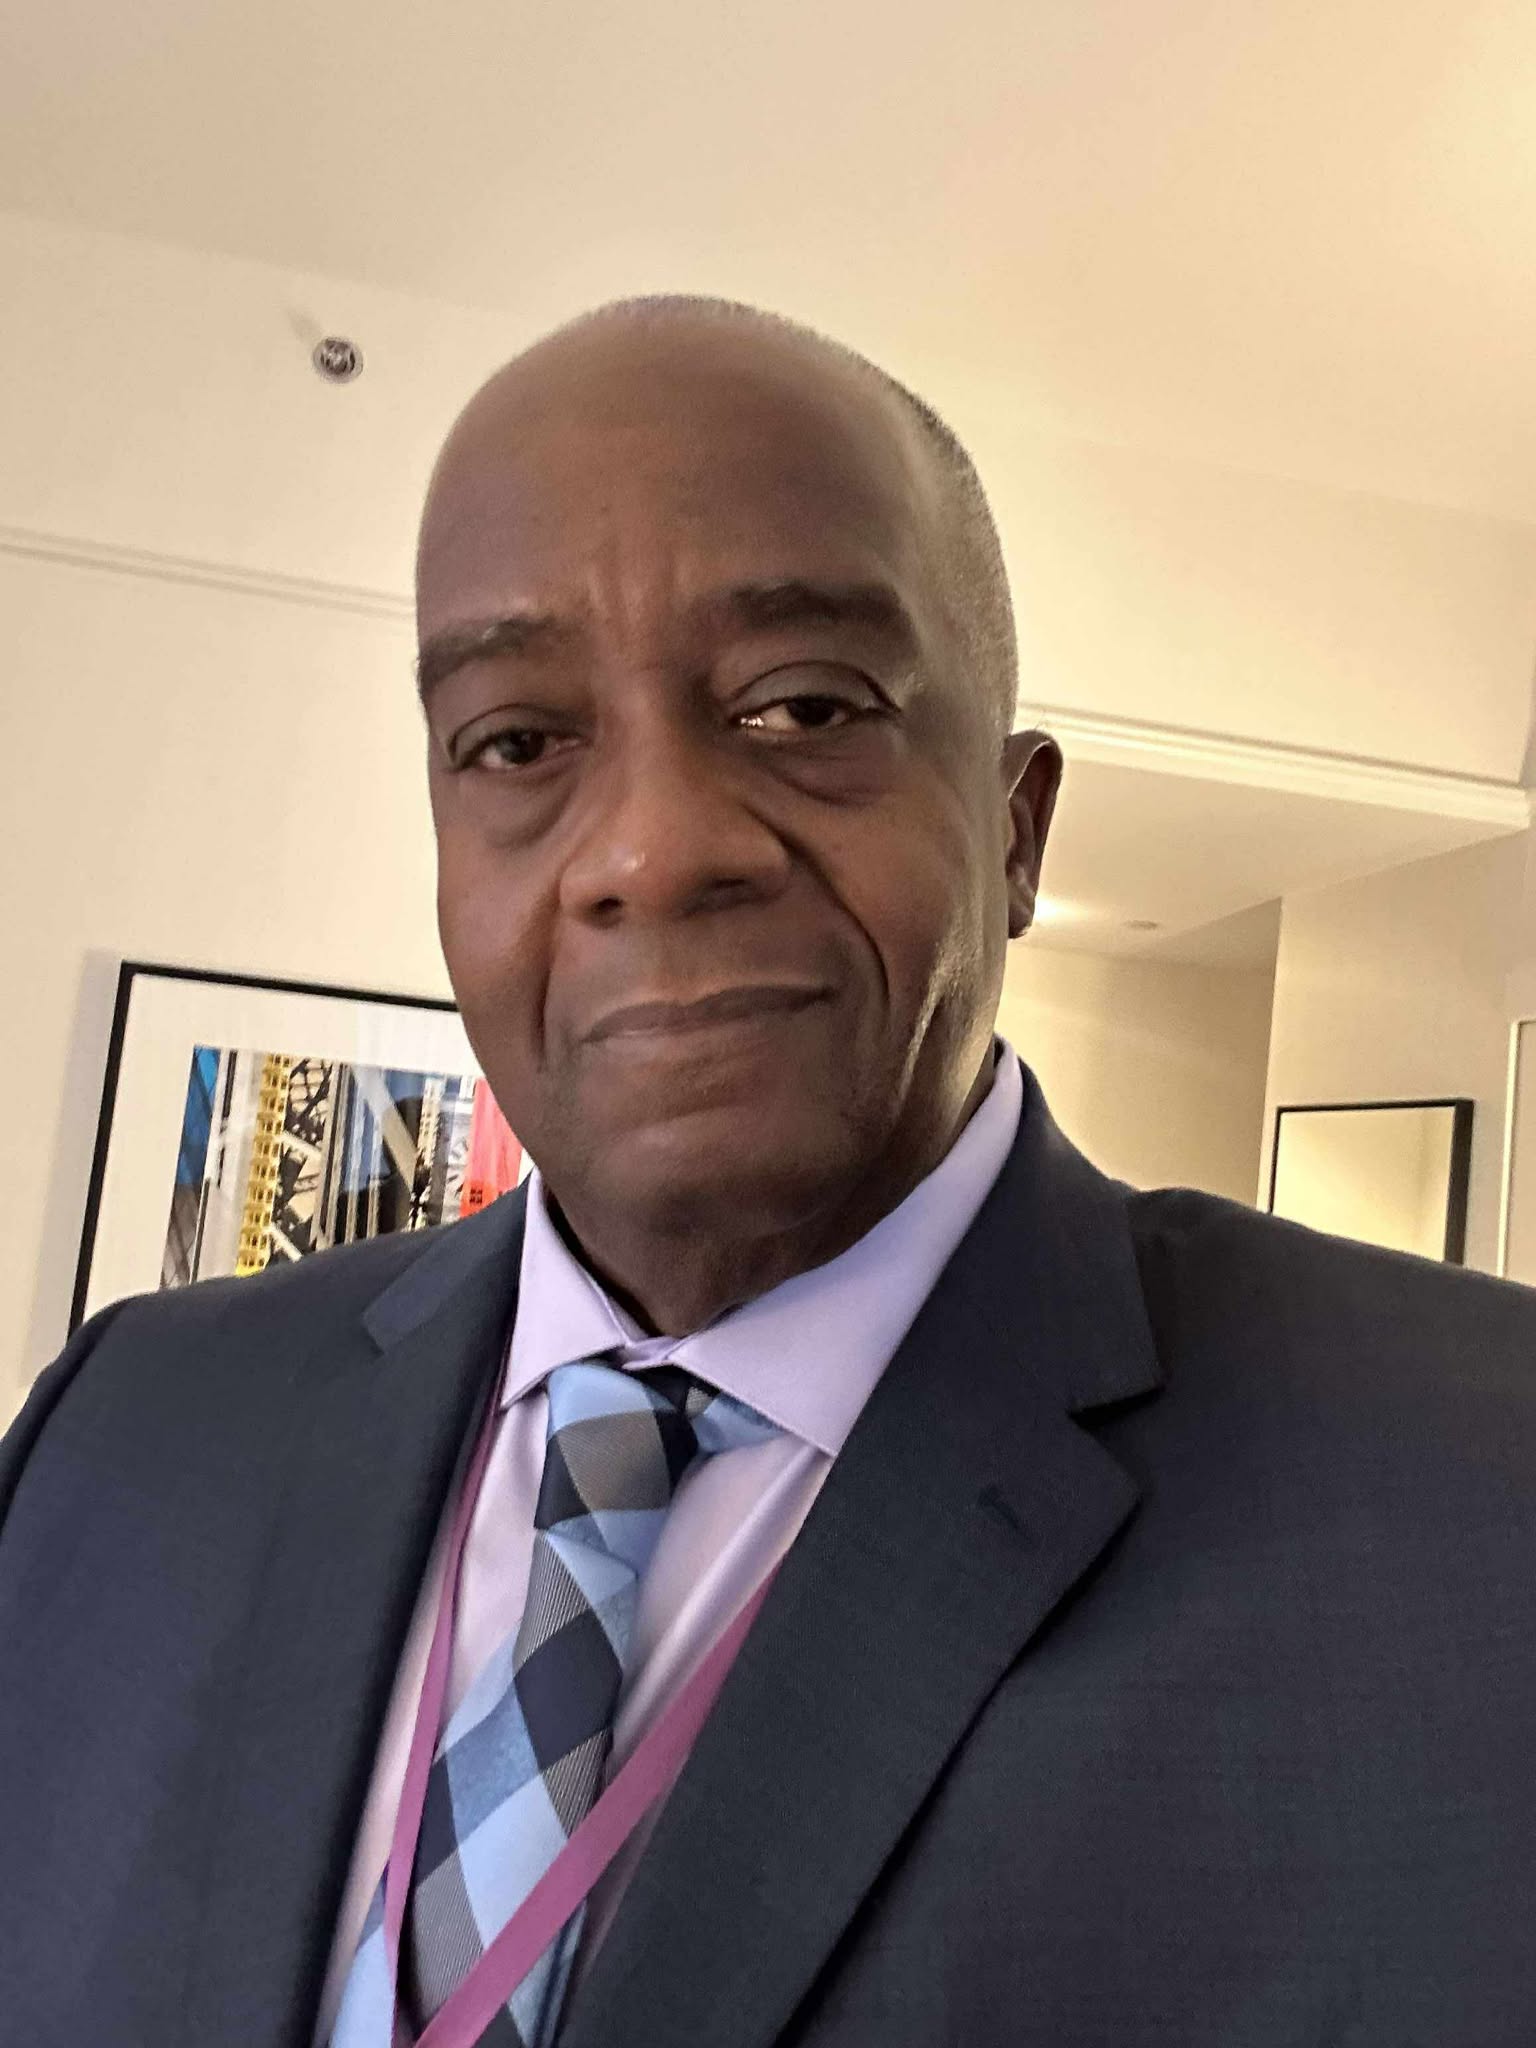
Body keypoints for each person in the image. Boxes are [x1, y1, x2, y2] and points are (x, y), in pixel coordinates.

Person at [2, 297, 1534, 2048]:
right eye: (518, 742)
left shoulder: (1479, 1501)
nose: (654, 851)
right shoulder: (123, 1439)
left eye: (804, 707)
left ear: (1016, 831)